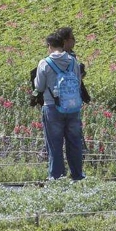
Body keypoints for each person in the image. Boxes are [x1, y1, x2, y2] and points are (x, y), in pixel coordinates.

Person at [34, 32, 85, 181]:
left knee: (54, 145)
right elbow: (78, 83)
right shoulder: (73, 61)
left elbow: (39, 86)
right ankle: (77, 176)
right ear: (63, 45)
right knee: (74, 142)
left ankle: (57, 177)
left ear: (49, 46)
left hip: (52, 106)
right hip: (73, 107)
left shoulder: (45, 63)